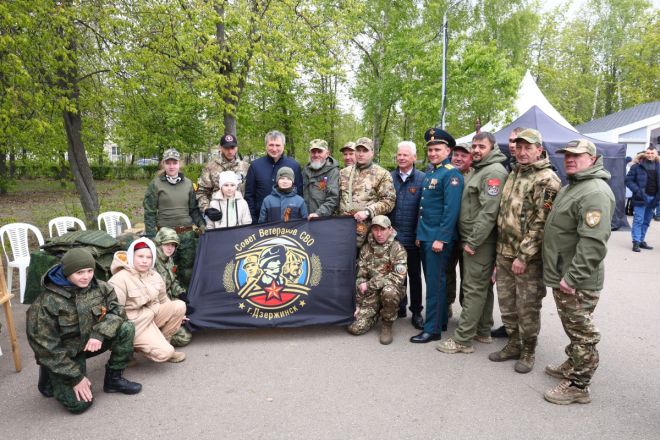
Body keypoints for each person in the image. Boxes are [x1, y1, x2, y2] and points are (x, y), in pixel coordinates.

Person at [542, 139, 615, 405]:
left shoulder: (594, 192)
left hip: (576, 279)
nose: (570, 159)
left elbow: (593, 243)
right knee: (573, 328)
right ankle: (572, 365)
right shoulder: (573, 186)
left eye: (577, 155)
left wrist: (572, 277)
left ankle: (578, 385)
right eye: (567, 155)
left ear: (592, 159)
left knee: (582, 332)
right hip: (565, 274)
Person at [26, 248, 141, 414]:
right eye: (80, 272)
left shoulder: (101, 288)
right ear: (67, 272)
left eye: (90, 271)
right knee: (80, 405)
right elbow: (45, 347)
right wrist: (75, 377)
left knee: (126, 328)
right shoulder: (46, 302)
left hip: (90, 342)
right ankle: (49, 375)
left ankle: (113, 380)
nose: (86, 276)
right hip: (65, 354)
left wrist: (100, 333)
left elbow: (117, 313)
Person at [489, 129, 561, 373]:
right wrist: (500, 255)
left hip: (527, 259)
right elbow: (505, 216)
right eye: (518, 147)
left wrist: (524, 255)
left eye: (528, 148)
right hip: (504, 252)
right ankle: (513, 343)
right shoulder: (514, 174)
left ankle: (528, 350)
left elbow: (543, 222)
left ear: (539, 149)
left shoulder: (546, 179)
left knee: (527, 307)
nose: (522, 152)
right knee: (507, 304)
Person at [437, 131, 508, 354]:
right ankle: (483, 330)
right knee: (482, 287)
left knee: (473, 288)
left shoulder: (493, 172)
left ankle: (462, 340)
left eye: (481, 147)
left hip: (478, 241)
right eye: (474, 147)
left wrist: (473, 241)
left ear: (492, 148)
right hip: (473, 239)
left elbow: (489, 211)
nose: (476, 150)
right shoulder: (481, 169)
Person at [410, 128, 464, 343]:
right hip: (426, 236)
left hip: (437, 240)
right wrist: (419, 234)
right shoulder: (432, 172)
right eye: (430, 149)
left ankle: (431, 329)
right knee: (435, 282)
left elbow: (451, 211)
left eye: (437, 149)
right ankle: (440, 320)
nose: (432, 153)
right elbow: (424, 208)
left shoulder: (451, 174)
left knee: (434, 284)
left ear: (448, 150)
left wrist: (441, 238)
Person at [109, 238, 187, 363]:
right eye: (140, 256)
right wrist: (121, 339)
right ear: (131, 256)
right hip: (135, 324)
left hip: (152, 315)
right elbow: (114, 314)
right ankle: (125, 351)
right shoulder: (119, 279)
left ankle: (164, 343)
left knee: (179, 306)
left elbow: (163, 299)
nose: (145, 261)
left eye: (149, 257)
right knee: (164, 353)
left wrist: (177, 314)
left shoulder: (154, 275)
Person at [143, 148, 205, 288]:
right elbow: (149, 212)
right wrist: (151, 236)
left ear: (179, 164)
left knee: (188, 270)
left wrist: (202, 225)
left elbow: (193, 209)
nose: (171, 166)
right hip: (165, 236)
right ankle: (168, 301)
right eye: (168, 163)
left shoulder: (188, 183)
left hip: (186, 234)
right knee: (166, 270)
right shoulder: (156, 184)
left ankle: (187, 300)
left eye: (174, 162)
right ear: (163, 164)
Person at [348, 215, 407, 345]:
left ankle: (387, 323)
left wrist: (370, 285)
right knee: (354, 328)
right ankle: (374, 314)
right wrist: (358, 303)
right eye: (375, 230)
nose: (379, 234)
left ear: (390, 230)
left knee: (389, 291)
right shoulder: (366, 249)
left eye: (382, 229)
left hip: (390, 290)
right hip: (372, 294)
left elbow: (398, 278)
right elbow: (361, 277)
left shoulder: (398, 249)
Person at [389, 141, 425, 329]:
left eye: (405, 155)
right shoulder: (389, 178)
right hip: (394, 237)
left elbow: (424, 210)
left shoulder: (422, 179)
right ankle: (399, 306)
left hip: (413, 238)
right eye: (399, 155)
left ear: (414, 157)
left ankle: (417, 311)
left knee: (414, 275)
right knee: (397, 274)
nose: (401, 158)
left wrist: (419, 234)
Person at [338, 137, 396, 247]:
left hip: (369, 233)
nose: (361, 154)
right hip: (344, 231)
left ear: (372, 153)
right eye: (358, 150)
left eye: (365, 151)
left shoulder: (382, 174)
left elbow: (389, 201)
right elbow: (337, 199)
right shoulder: (344, 173)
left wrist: (367, 212)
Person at [245, 130, 303, 222]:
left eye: (278, 145)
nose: (274, 149)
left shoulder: (294, 166)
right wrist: (253, 220)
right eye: (271, 145)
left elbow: (299, 193)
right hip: (261, 220)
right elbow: (249, 196)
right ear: (266, 146)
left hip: (289, 220)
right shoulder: (255, 166)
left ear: (283, 146)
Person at [154, 228, 193, 347]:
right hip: (156, 307)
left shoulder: (168, 259)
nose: (170, 248)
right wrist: (174, 313)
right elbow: (155, 296)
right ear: (159, 243)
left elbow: (173, 280)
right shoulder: (152, 262)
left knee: (191, 310)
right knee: (184, 337)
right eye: (166, 244)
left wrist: (181, 293)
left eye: (173, 245)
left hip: (167, 299)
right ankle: (155, 335)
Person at [446, 142, 472, 316]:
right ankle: (446, 304)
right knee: (447, 272)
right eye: (456, 154)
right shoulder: (445, 173)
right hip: (448, 233)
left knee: (468, 276)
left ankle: (467, 311)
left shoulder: (475, 176)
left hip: (468, 236)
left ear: (470, 158)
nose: (459, 158)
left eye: (464, 155)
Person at [196, 133, 251, 216]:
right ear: (221, 148)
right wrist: (207, 209)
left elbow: (251, 192)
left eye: (232, 147)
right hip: (218, 213)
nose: (230, 151)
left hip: (240, 213)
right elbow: (201, 191)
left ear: (237, 148)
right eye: (226, 148)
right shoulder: (210, 167)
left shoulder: (245, 167)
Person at [625, 145, 660, 252]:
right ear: (645, 154)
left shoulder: (659, 166)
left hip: (654, 198)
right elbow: (628, 181)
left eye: (652, 153)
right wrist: (638, 191)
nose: (650, 155)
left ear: (656, 154)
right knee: (638, 220)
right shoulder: (636, 166)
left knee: (646, 221)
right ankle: (636, 242)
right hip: (640, 197)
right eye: (648, 153)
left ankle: (641, 240)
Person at [302, 139, 340, 219]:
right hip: (305, 219)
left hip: (323, 219)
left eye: (320, 152)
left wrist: (319, 214)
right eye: (313, 152)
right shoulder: (305, 170)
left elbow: (333, 198)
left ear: (327, 154)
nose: (316, 155)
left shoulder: (333, 171)